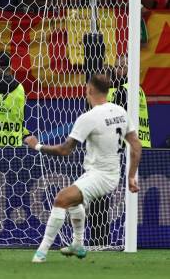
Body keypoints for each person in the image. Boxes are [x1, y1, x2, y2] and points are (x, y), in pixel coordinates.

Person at [25, 74, 142, 263]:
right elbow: (136, 145)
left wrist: (37, 146)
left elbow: (65, 150)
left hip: (101, 176)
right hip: (109, 173)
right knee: (74, 203)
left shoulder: (89, 117)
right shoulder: (120, 111)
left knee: (61, 198)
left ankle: (41, 253)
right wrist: (131, 176)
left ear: (90, 89)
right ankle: (78, 244)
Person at [108, 55, 151, 147]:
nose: (117, 70)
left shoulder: (123, 90)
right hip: (144, 142)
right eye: (115, 67)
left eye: (121, 67)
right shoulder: (139, 89)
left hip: (127, 146)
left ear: (130, 69)